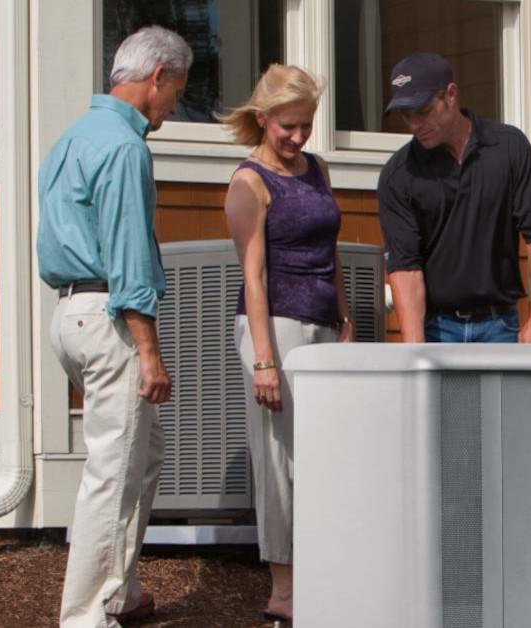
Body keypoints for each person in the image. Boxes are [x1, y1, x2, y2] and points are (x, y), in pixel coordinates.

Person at [36, 26, 190, 628]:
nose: (175, 105)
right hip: (109, 318)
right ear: (158, 78)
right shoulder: (125, 148)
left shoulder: (70, 139)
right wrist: (148, 350)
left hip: (69, 316)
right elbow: (128, 255)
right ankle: (83, 618)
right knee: (113, 469)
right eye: (178, 89)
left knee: (141, 452)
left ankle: (119, 593)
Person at [220, 64, 353, 623]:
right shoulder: (248, 183)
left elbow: (331, 249)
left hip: (324, 327)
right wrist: (265, 361)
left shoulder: (317, 169)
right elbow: (253, 277)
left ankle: (320, 567)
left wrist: (345, 316)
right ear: (262, 119)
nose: (298, 138)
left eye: (307, 125)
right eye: (288, 127)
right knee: (278, 458)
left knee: (322, 454)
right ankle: (283, 586)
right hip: (274, 328)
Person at [377, 52, 531, 343]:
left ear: (451, 95)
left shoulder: (508, 148)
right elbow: (405, 269)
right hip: (437, 330)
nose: (414, 125)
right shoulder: (399, 175)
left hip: (501, 325)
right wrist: (414, 351)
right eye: (406, 116)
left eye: (422, 111)